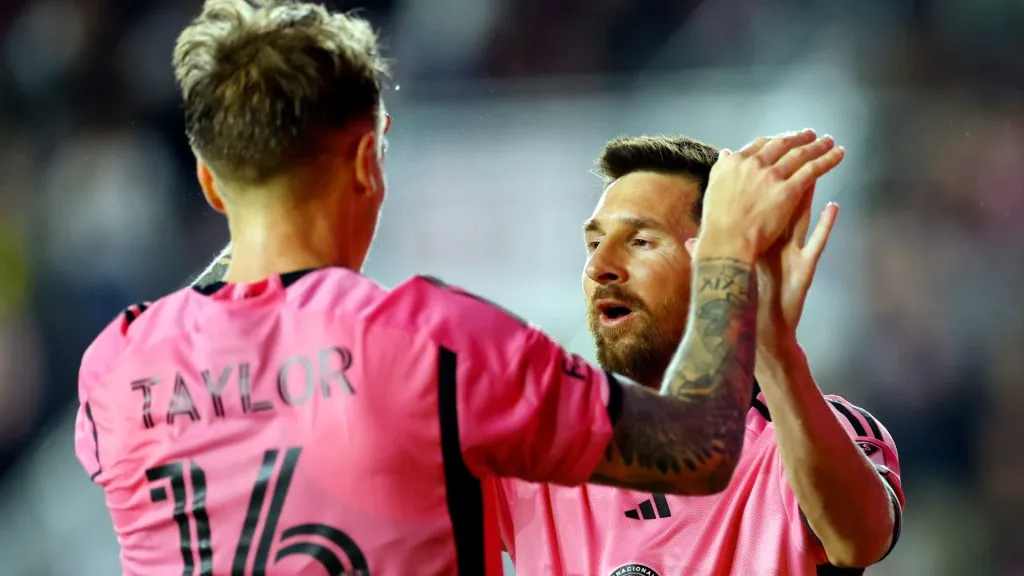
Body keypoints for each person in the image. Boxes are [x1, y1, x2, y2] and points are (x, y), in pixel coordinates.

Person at [71, 2, 843, 574]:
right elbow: (701, 448)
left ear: (210, 182)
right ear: (370, 159)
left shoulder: (115, 369)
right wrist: (728, 253)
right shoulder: (433, 342)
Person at [492, 135, 905, 576]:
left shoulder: (801, 442)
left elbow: (861, 537)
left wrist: (770, 345)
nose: (599, 267)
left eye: (640, 242)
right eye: (594, 245)